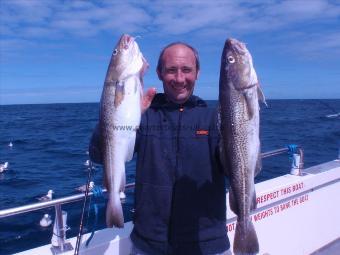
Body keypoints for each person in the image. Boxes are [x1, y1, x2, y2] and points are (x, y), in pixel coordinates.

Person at [89, 42, 231, 255]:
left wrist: (241, 130)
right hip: (149, 243)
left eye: (187, 70)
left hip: (207, 242)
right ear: (159, 73)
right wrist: (121, 113)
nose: (180, 79)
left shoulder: (213, 118)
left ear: (198, 73)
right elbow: (99, 154)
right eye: (171, 70)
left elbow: (232, 168)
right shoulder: (143, 115)